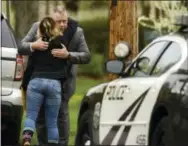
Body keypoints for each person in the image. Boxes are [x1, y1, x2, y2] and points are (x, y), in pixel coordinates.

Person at [19, 6, 90, 146]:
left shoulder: (77, 32)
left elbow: (86, 56)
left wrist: (68, 55)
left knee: (61, 116)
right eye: (59, 21)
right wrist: (34, 45)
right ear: (51, 20)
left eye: (65, 21)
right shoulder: (37, 27)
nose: (63, 24)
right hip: (37, 78)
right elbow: (21, 46)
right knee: (41, 118)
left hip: (64, 82)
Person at [22, 16, 72, 146]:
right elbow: (65, 65)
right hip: (54, 84)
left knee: (31, 115)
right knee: (52, 121)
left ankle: (27, 138)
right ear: (55, 27)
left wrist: (25, 84)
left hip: (36, 81)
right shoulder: (61, 42)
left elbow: (30, 66)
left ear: (40, 29)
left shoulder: (38, 44)